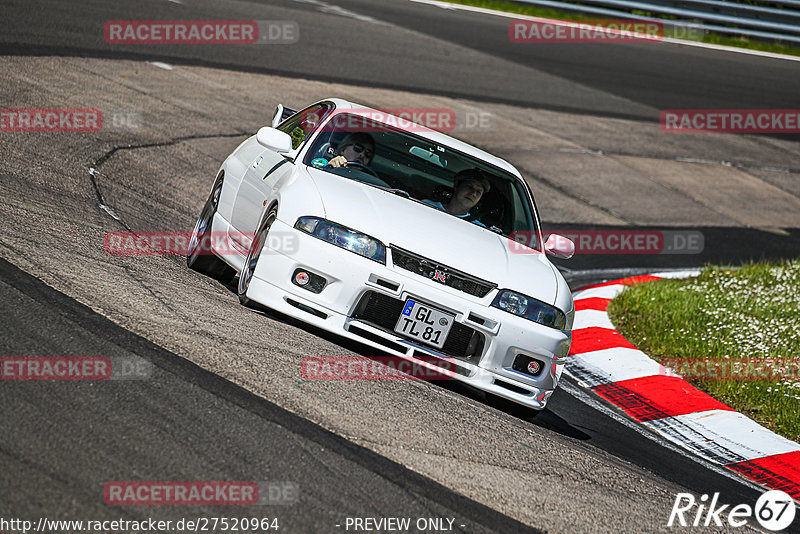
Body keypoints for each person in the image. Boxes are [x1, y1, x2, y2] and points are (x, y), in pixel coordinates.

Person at [422, 168, 490, 227]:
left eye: (478, 192)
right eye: (469, 187)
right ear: (456, 186)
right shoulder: (426, 205)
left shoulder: (479, 228)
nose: (473, 194)